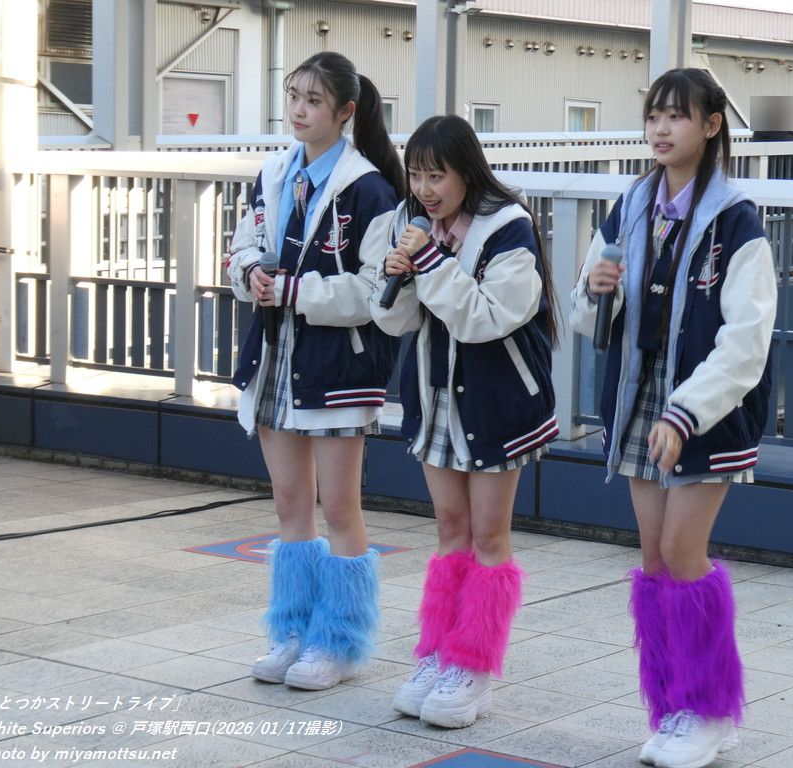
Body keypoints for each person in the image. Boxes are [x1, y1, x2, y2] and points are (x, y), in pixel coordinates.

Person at [571, 68, 777, 768]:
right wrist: (596, 289)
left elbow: (746, 342)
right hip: (639, 398)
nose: (660, 129)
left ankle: (708, 709)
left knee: (684, 555)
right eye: (653, 116)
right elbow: (586, 313)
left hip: (705, 408)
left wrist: (685, 412)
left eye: (677, 117)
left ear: (711, 126)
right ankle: (673, 706)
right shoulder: (632, 204)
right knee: (655, 559)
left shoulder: (737, 219)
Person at [370, 115, 559, 728]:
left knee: (488, 536)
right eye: (415, 175)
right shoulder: (413, 223)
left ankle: (473, 666)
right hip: (435, 397)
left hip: (495, 402)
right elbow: (394, 322)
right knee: (450, 529)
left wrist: (428, 263)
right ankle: (438, 652)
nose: (424, 189)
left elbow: (486, 318)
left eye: (437, 176)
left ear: (466, 173)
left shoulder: (509, 228)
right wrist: (397, 279)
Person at [224, 51, 403, 692]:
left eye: (313, 100)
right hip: (275, 356)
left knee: (341, 508)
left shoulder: (370, 189)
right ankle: (292, 630)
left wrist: (293, 290)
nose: (298, 110)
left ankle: (340, 641)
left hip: (339, 367)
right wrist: (250, 272)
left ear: (345, 112)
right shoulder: (274, 173)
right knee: (289, 503)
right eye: (293, 95)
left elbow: (375, 292)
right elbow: (244, 245)